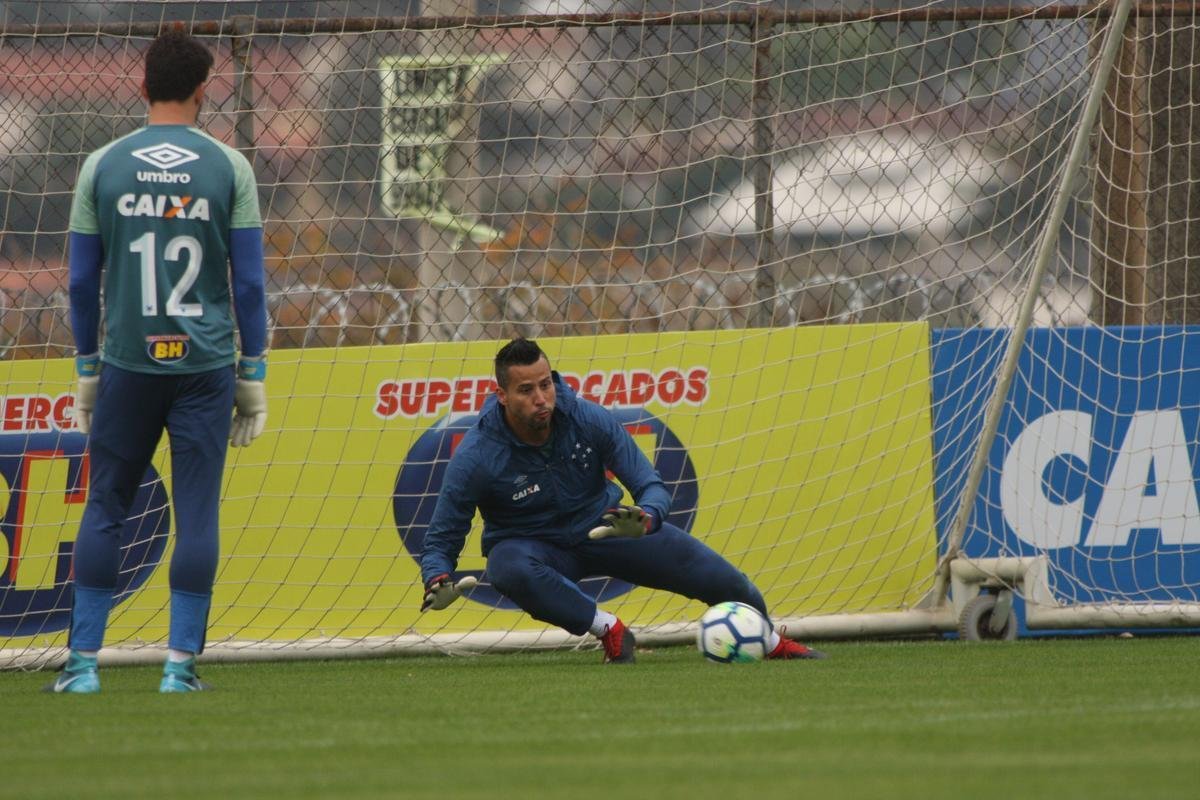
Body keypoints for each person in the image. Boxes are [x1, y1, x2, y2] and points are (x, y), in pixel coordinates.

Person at [49, 30, 268, 693]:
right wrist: (251, 373)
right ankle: (179, 669)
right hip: (204, 366)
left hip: (127, 363)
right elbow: (251, 285)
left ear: (141, 86)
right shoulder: (230, 167)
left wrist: (87, 367)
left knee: (106, 508)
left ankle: (83, 667)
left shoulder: (102, 166)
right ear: (206, 88)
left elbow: (82, 282)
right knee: (197, 514)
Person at [419, 337, 826, 663]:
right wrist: (436, 576)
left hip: (607, 529)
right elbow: (442, 536)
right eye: (526, 390)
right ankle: (609, 629)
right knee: (505, 565)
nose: (542, 398)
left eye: (546, 384)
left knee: (729, 583)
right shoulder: (476, 455)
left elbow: (649, 482)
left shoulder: (588, 418)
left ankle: (769, 640)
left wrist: (647, 518)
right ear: (503, 395)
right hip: (535, 546)